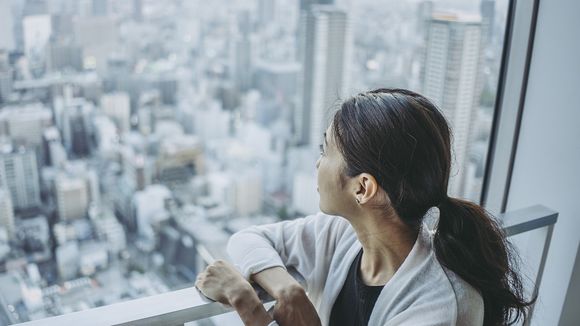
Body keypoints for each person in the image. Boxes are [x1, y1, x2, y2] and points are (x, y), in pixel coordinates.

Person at [195, 88, 533, 326]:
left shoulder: (438, 306)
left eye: (325, 151)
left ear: (362, 187)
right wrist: (288, 289)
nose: (317, 163)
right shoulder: (343, 234)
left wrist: (248, 305)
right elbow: (247, 239)